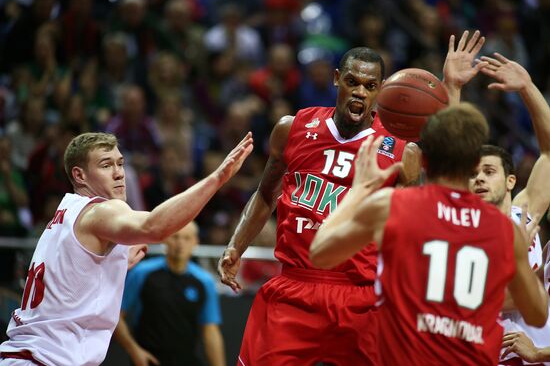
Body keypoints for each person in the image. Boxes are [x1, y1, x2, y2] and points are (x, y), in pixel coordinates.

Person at [218, 31, 486, 365]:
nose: (360, 92)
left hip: (362, 295)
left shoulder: (402, 149)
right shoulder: (293, 128)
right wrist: (236, 245)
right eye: (352, 82)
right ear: (336, 80)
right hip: (295, 285)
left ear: (382, 90)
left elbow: (446, 178)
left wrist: (452, 88)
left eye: (370, 86)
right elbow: (264, 194)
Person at [310, 103, 549, 366]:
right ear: (472, 162)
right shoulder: (505, 229)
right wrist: (521, 264)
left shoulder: (394, 205)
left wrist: (358, 192)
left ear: (424, 161)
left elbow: (320, 254)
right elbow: (537, 313)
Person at [0, 131, 252, 366]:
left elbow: (74, 275)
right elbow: (155, 227)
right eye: (106, 165)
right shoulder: (101, 209)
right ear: (79, 176)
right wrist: (218, 177)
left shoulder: (64, 214)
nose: (119, 173)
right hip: (48, 358)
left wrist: (116, 262)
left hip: (23, 355)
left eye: (120, 163)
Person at [466, 53, 550, 365]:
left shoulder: (526, 212)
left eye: (488, 172)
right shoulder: (457, 226)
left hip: (537, 355)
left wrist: (527, 87)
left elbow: (549, 152)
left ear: (511, 179)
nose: (478, 179)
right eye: (472, 174)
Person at [114, 221, 225, 366]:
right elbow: (116, 316)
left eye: (186, 238)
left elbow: (211, 331)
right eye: (175, 237)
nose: (180, 244)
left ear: (195, 242)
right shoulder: (142, 272)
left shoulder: (204, 282)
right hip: (148, 361)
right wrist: (134, 350)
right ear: (165, 239)